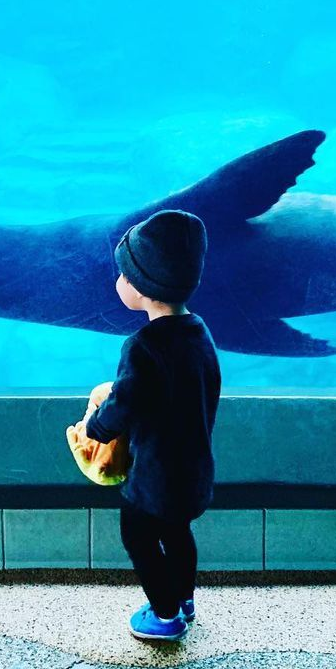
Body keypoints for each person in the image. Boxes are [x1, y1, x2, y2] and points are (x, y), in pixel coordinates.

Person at [81, 209, 221, 642]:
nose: (119, 282)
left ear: (141, 288)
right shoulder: (200, 333)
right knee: (178, 534)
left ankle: (165, 615)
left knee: (138, 537)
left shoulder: (143, 346)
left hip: (154, 477)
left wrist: (96, 427)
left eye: (123, 275)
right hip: (193, 470)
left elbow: (127, 403)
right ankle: (184, 598)